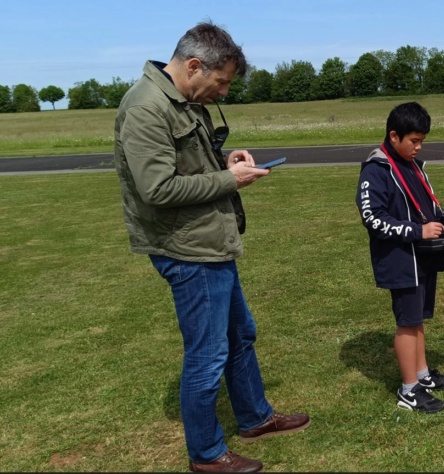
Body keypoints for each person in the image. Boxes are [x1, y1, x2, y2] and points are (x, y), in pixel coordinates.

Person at [113, 21, 309, 473]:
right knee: (207, 354)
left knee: (240, 334)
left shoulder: (180, 99)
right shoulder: (145, 107)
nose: (223, 93)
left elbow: (182, 165)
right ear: (195, 65)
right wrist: (228, 179)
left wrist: (225, 160)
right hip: (187, 249)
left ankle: (256, 417)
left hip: (209, 240)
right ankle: (206, 455)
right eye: (220, 82)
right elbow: (156, 189)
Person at [356, 101, 444, 414]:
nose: (418, 147)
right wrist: (416, 232)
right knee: (407, 323)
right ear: (394, 136)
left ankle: (422, 375)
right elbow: (371, 217)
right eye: (413, 141)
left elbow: (425, 207)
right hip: (400, 258)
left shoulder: (412, 164)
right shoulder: (376, 170)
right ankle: (409, 390)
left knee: (418, 320)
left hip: (422, 257)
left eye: (422, 141)